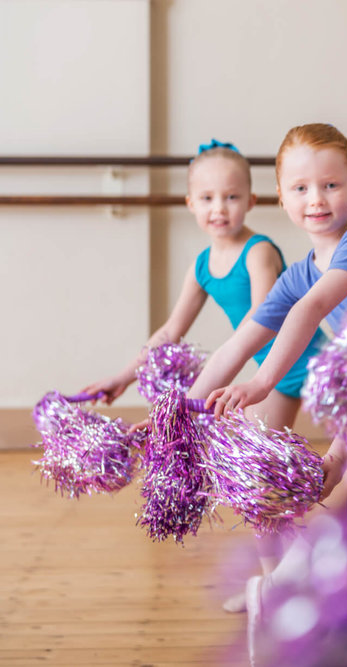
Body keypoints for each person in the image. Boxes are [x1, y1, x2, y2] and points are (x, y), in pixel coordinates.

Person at [86, 140, 326, 612]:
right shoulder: (201, 266)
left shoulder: (259, 252)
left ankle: (326, 562)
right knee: (253, 477)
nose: (220, 208)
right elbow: (170, 332)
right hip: (268, 375)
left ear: (252, 202)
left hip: (305, 362)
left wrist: (222, 375)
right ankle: (275, 579)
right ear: (190, 203)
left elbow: (263, 317)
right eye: (209, 198)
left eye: (233, 197)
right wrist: (121, 379)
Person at [186, 123, 347, 517]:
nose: (316, 199)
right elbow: (240, 342)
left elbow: (311, 308)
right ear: (281, 197)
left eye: (331, 185)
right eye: (300, 188)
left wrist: (262, 382)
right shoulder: (300, 274)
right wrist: (178, 411)